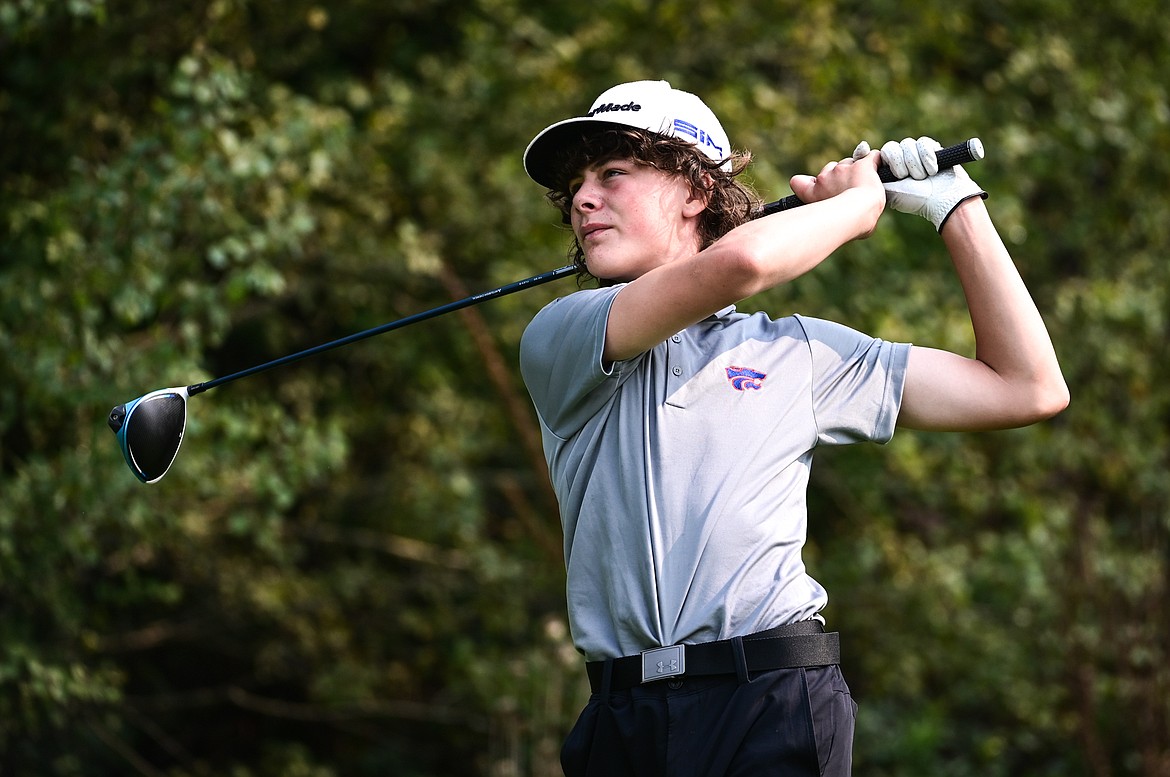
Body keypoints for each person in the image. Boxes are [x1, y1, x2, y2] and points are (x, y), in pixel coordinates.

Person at [517, 80, 1068, 777]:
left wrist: (955, 208)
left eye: (612, 174)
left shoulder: (796, 352)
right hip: (621, 720)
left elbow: (1027, 386)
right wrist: (860, 204)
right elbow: (741, 263)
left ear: (695, 191)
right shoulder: (561, 334)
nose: (583, 200)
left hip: (772, 700)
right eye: (575, 188)